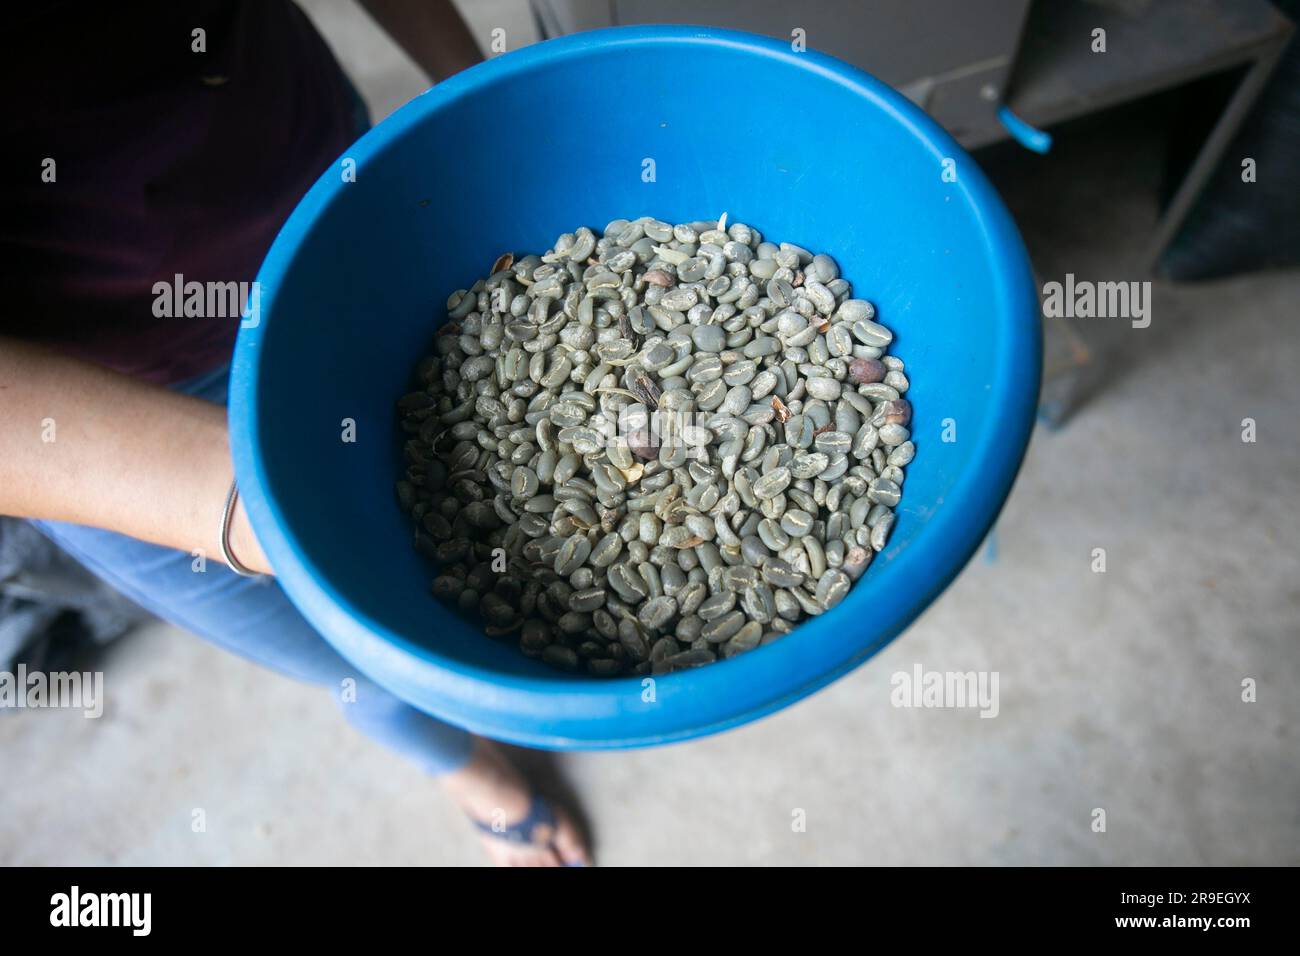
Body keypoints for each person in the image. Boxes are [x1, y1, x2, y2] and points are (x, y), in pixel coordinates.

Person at [0, 0, 590, 867]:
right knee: (355, 655)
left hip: (329, 183)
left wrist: (469, 77)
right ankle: (474, 777)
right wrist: (262, 511)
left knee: (429, 617)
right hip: (96, 409)